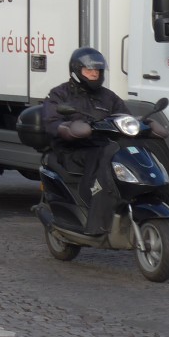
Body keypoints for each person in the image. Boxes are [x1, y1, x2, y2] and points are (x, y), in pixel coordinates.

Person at [40, 46, 129, 235]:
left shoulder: (108, 96)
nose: (94, 74)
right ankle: (94, 213)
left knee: (124, 152)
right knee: (106, 153)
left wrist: (145, 124)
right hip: (72, 150)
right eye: (89, 70)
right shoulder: (60, 94)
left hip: (101, 146)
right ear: (76, 70)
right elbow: (51, 120)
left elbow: (125, 116)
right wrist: (67, 129)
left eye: (97, 70)